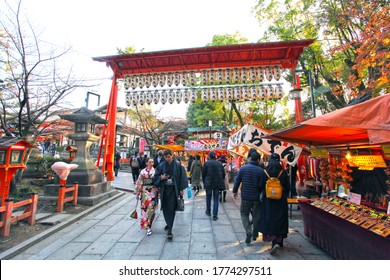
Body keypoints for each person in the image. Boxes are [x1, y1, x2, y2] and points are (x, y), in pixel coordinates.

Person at [259, 153, 290, 255]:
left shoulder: (265, 172)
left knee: (269, 219)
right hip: (280, 201)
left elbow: (260, 186)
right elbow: (288, 188)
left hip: (268, 201)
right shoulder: (283, 172)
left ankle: (273, 241)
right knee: (280, 219)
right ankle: (279, 241)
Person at [153, 149, 188, 239]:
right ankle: (168, 224)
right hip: (164, 189)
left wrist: (181, 189)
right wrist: (161, 178)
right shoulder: (161, 166)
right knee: (165, 208)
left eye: (169, 156)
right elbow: (155, 177)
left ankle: (170, 230)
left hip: (173, 189)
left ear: (172, 156)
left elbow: (182, 177)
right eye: (166, 157)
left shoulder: (178, 165)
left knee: (171, 208)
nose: (167, 158)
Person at [233, 151, 266, 244]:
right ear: (258, 160)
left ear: (250, 158)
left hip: (245, 196)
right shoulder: (261, 171)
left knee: (244, 214)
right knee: (256, 216)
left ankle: (248, 231)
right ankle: (255, 234)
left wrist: (235, 191)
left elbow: (237, 180)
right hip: (256, 197)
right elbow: (262, 185)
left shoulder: (243, 169)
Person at [133, 157, 159, 236]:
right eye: (150, 162)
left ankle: (149, 225)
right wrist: (137, 193)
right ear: (146, 163)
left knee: (151, 210)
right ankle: (147, 226)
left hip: (153, 193)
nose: (151, 163)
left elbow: (157, 181)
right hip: (144, 193)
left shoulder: (155, 171)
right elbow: (139, 182)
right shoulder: (142, 172)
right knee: (144, 210)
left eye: (152, 162)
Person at [202, 151, 225, 221]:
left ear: (209, 156)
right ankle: (215, 215)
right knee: (216, 199)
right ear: (215, 156)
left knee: (208, 197)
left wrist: (204, 182)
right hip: (217, 183)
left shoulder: (206, 163)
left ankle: (208, 211)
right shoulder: (219, 163)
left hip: (208, 183)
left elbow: (203, 174)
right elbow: (223, 174)